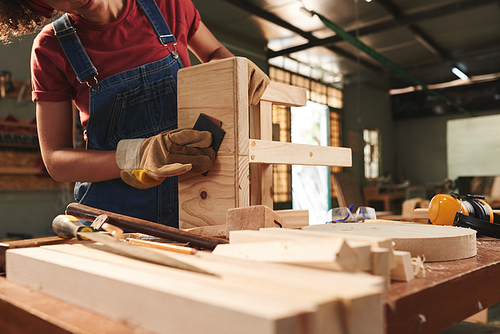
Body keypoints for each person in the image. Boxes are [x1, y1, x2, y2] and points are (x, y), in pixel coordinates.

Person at [0, 0, 270, 227]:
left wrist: (237, 67)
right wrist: (137, 156)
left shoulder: (168, 5)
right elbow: (56, 160)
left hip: (195, 206)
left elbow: (212, 51)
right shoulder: (51, 47)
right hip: (113, 220)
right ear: (40, 6)